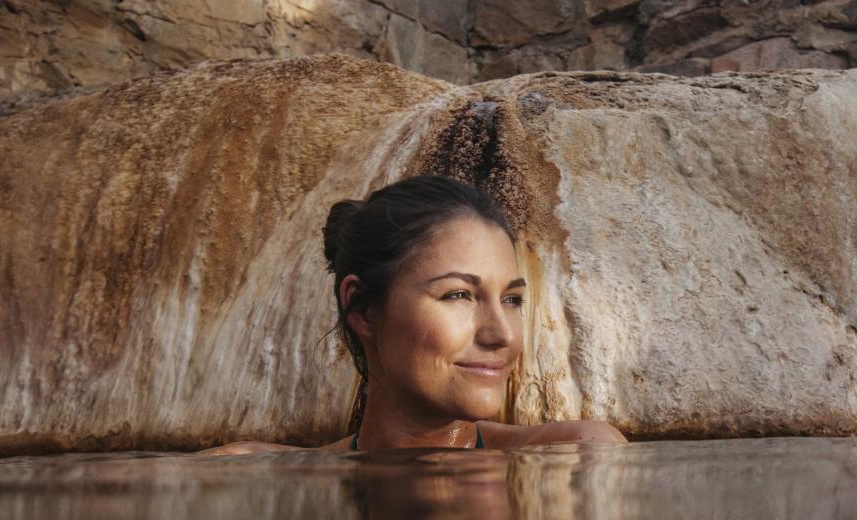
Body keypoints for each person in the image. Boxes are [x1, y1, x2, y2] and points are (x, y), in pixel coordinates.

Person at [200, 174, 626, 454]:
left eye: (512, 299)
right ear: (363, 309)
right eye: (459, 294)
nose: (503, 336)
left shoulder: (581, 452)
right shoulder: (248, 474)